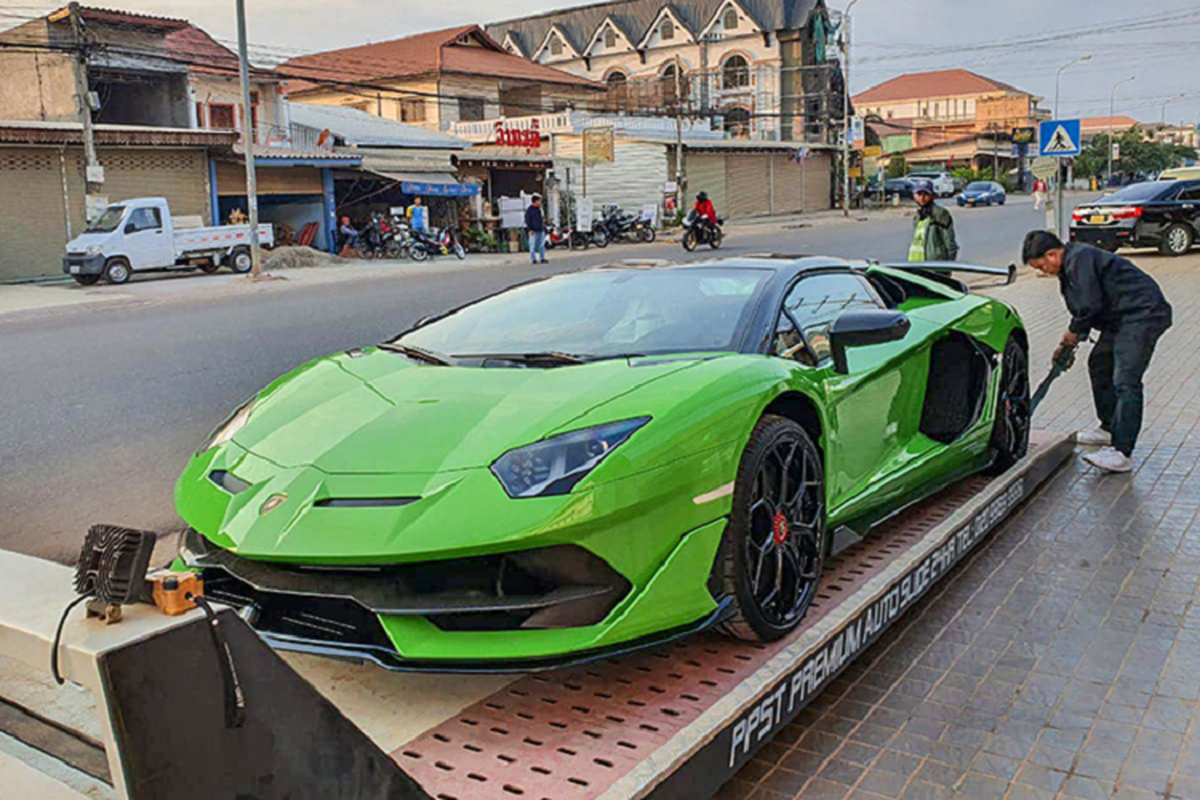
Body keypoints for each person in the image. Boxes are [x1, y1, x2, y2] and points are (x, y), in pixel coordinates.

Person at [1022, 230, 1172, 473]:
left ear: (1052, 254)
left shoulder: (1080, 259)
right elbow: (1085, 307)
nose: (1043, 271)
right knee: (1100, 364)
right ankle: (1109, 427)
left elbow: (1089, 304)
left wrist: (1072, 333)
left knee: (1126, 380)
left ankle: (1122, 452)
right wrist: (1069, 340)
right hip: (1119, 319)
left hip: (1142, 315)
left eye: (1041, 266)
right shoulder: (1070, 265)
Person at [908, 179, 958, 262]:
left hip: (935, 265)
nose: (922, 198)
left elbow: (949, 241)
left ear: (932, 195)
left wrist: (948, 265)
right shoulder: (918, 215)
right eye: (919, 194)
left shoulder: (940, 213)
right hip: (916, 262)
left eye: (926, 194)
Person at [525, 194, 547, 265]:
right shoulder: (529, 210)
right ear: (535, 201)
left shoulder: (539, 209)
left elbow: (542, 218)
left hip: (540, 229)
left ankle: (542, 258)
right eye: (539, 201)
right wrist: (530, 229)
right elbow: (528, 220)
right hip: (533, 230)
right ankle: (533, 258)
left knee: (542, 245)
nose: (540, 203)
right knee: (532, 245)